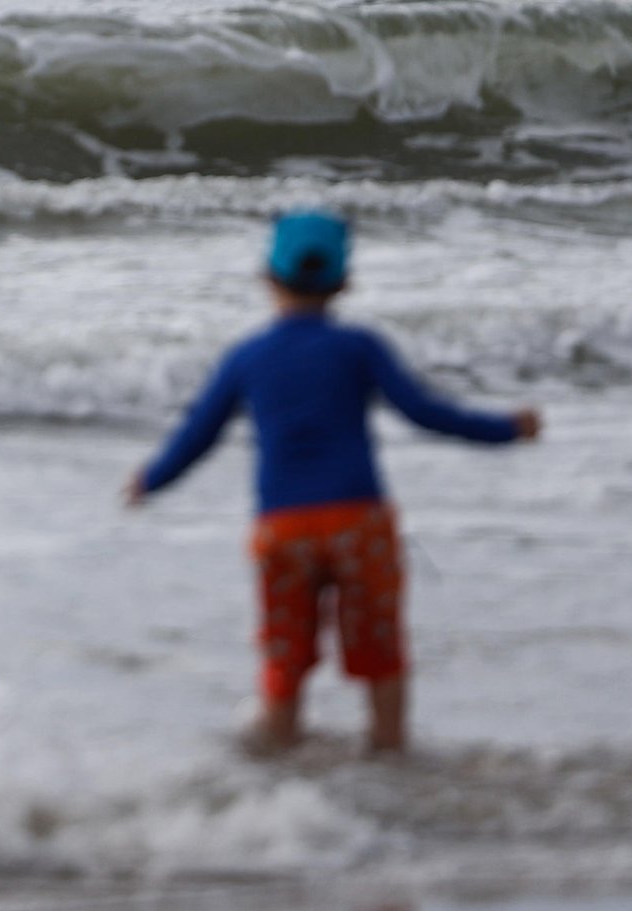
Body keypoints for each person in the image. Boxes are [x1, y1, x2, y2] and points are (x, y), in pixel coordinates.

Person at [125, 212, 540, 754]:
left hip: (283, 530)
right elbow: (423, 412)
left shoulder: (246, 357)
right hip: (358, 523)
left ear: (266, 278)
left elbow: (199, 435)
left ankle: (281, 779)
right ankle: (390, 756)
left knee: (285, 660)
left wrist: (150, 480)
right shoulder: (359, 347)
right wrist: (506, 429)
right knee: (381, 657)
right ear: (344, 283)